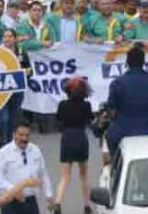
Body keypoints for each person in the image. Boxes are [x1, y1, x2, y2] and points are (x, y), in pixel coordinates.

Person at [104, 45, 148, 156]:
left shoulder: (117, 83)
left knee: (110, 141)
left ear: (127, 63)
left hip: (121, 132)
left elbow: (112, 110)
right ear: (143, 63)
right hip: (147, 130)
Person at [0, 123, 53, 214]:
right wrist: (14, 189)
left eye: (27, 135)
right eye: (21, 135)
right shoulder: (3, 153)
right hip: (10, 201)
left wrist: (49, 195)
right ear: (14, 134)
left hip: (31, 200)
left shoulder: (35, 150)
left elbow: (43, 173)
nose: (24, 138)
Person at [54, 78, 93, 214]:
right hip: (81, 137)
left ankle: (58, 203)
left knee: (65, 176)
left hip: (67, 137)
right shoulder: (86, 105)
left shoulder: (62, 104)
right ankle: (87, 205)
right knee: (83, 175)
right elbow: (90, 120)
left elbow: (58, 121)